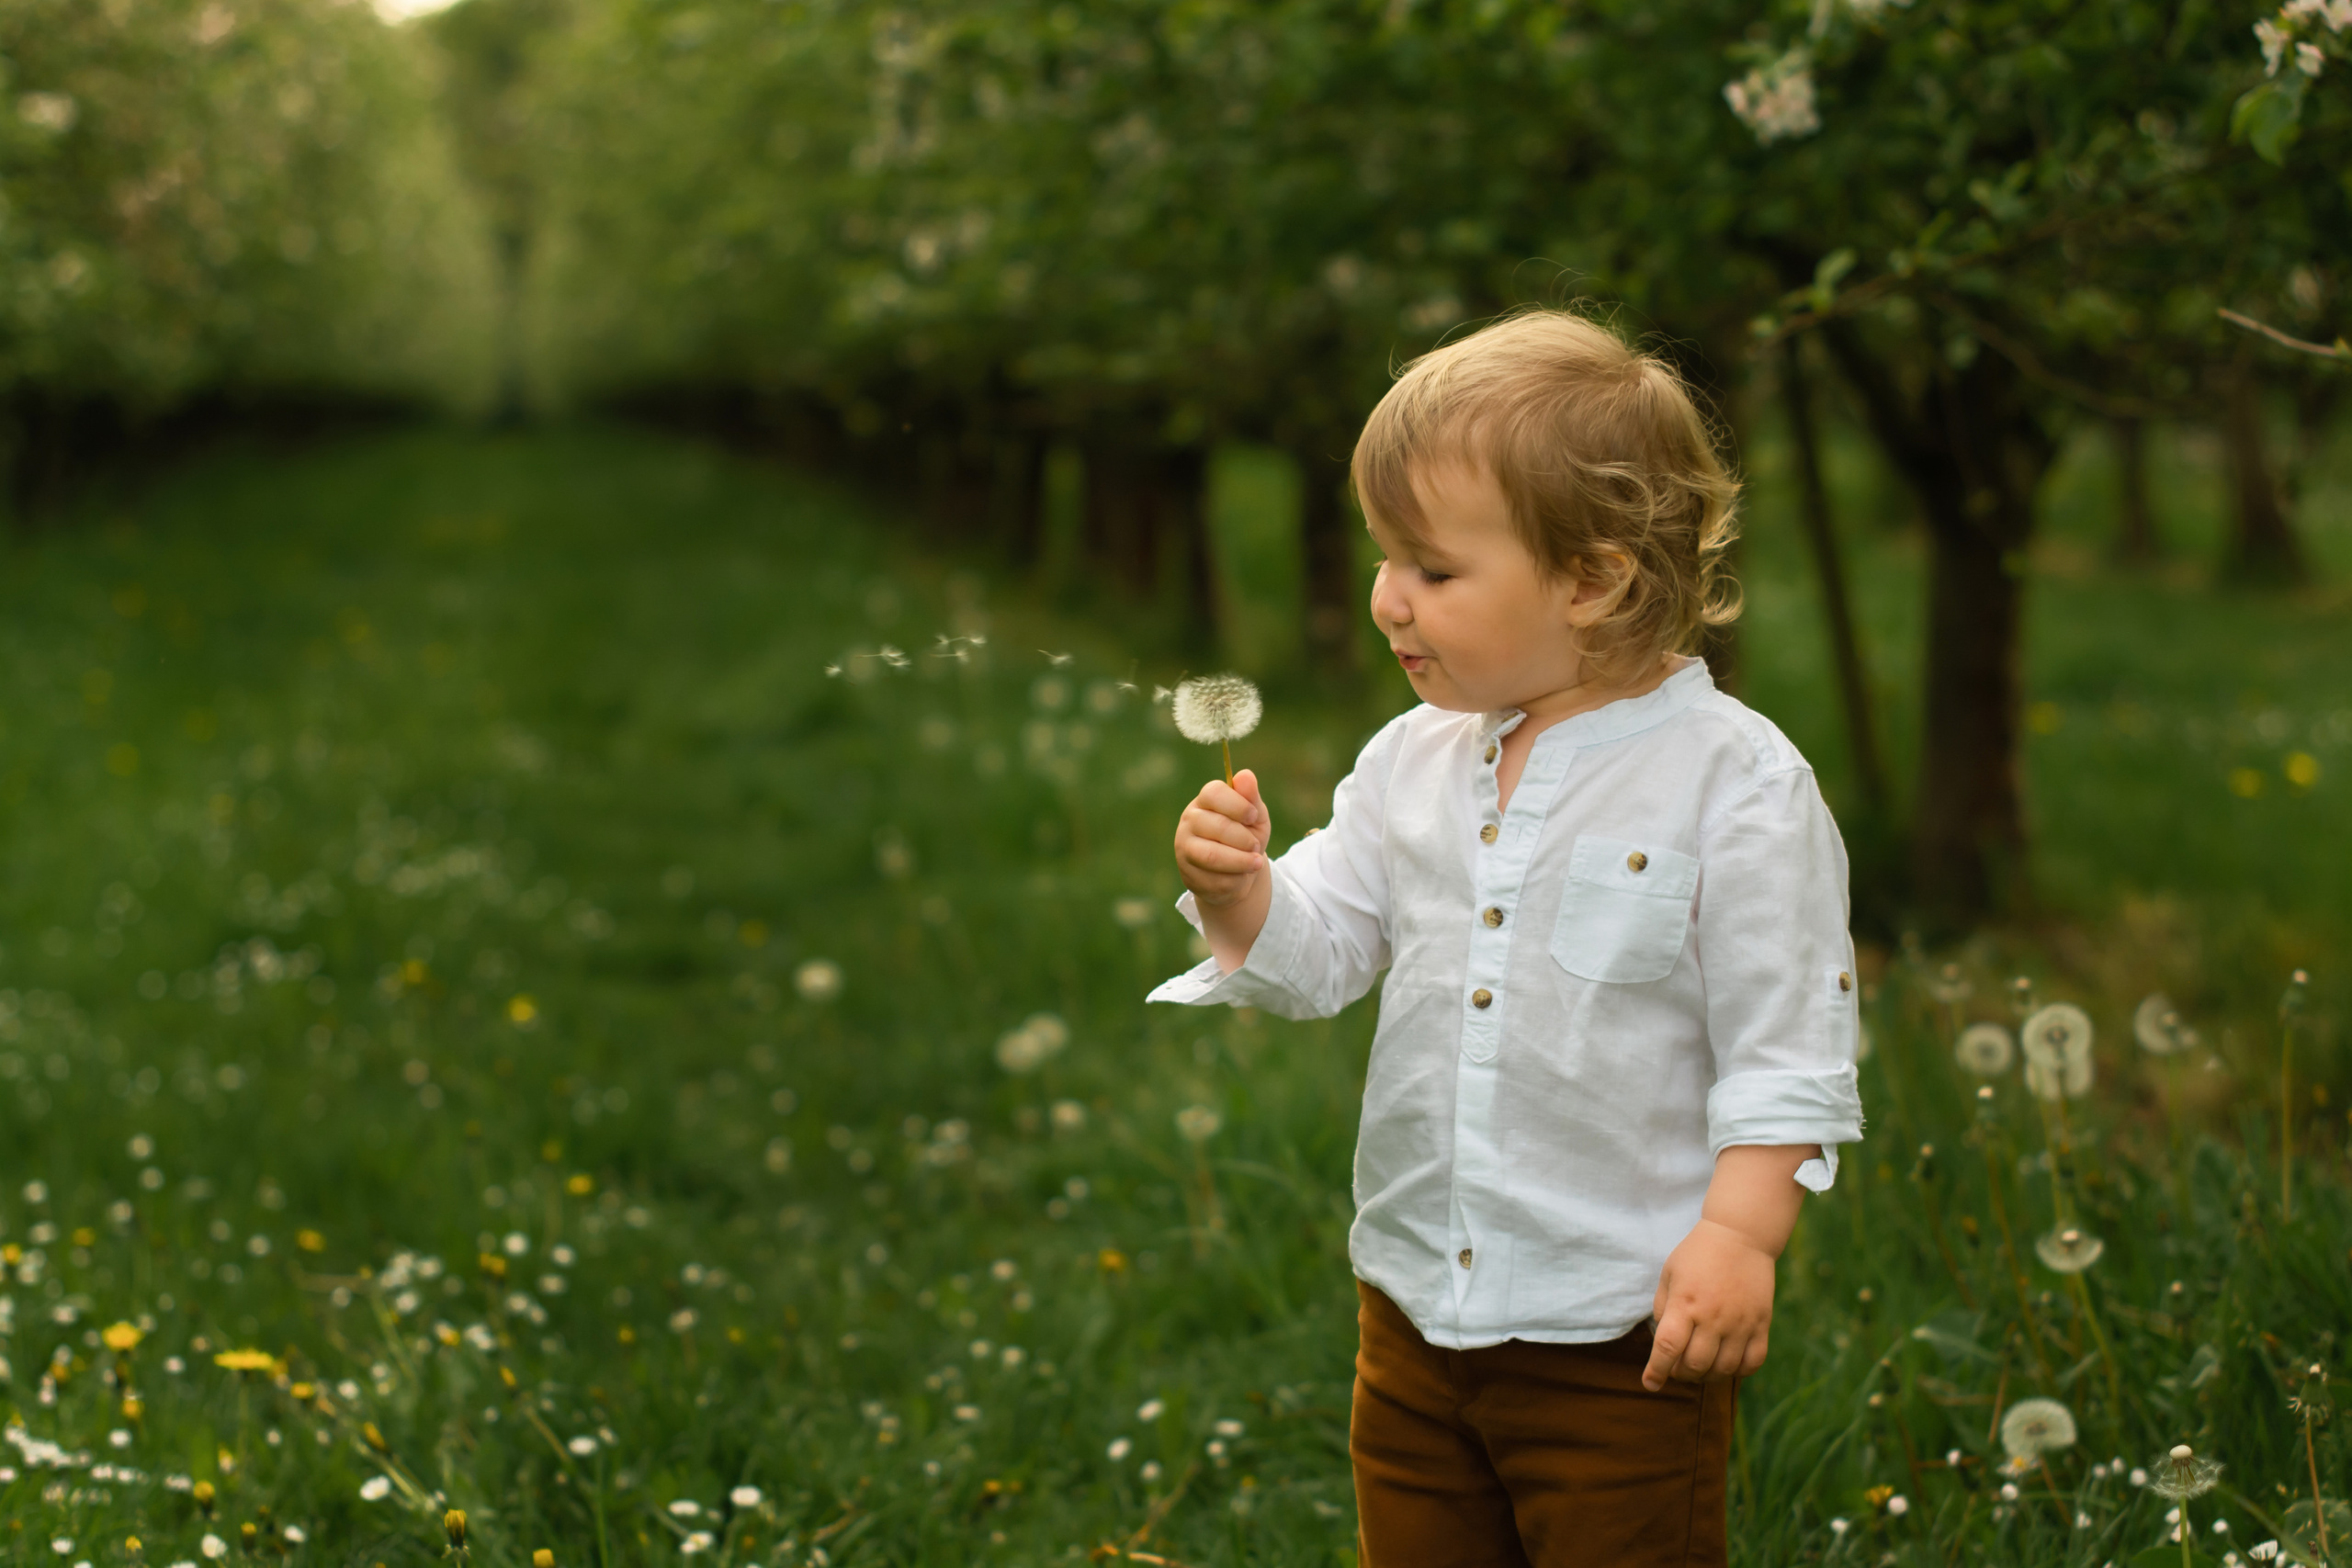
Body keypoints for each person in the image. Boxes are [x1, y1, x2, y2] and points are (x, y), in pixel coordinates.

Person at [1148, 310, 1865, 1568]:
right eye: (1383, 559)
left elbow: (1785, 1044)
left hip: (1620, 1336)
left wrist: (1741, 1233)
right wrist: (1240, 893)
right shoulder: (1412, 759)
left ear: (1589, 580)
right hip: (1415, 1312)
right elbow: (1323, 950)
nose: (1385, 601)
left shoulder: (1733, 785)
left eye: (1430, 569)